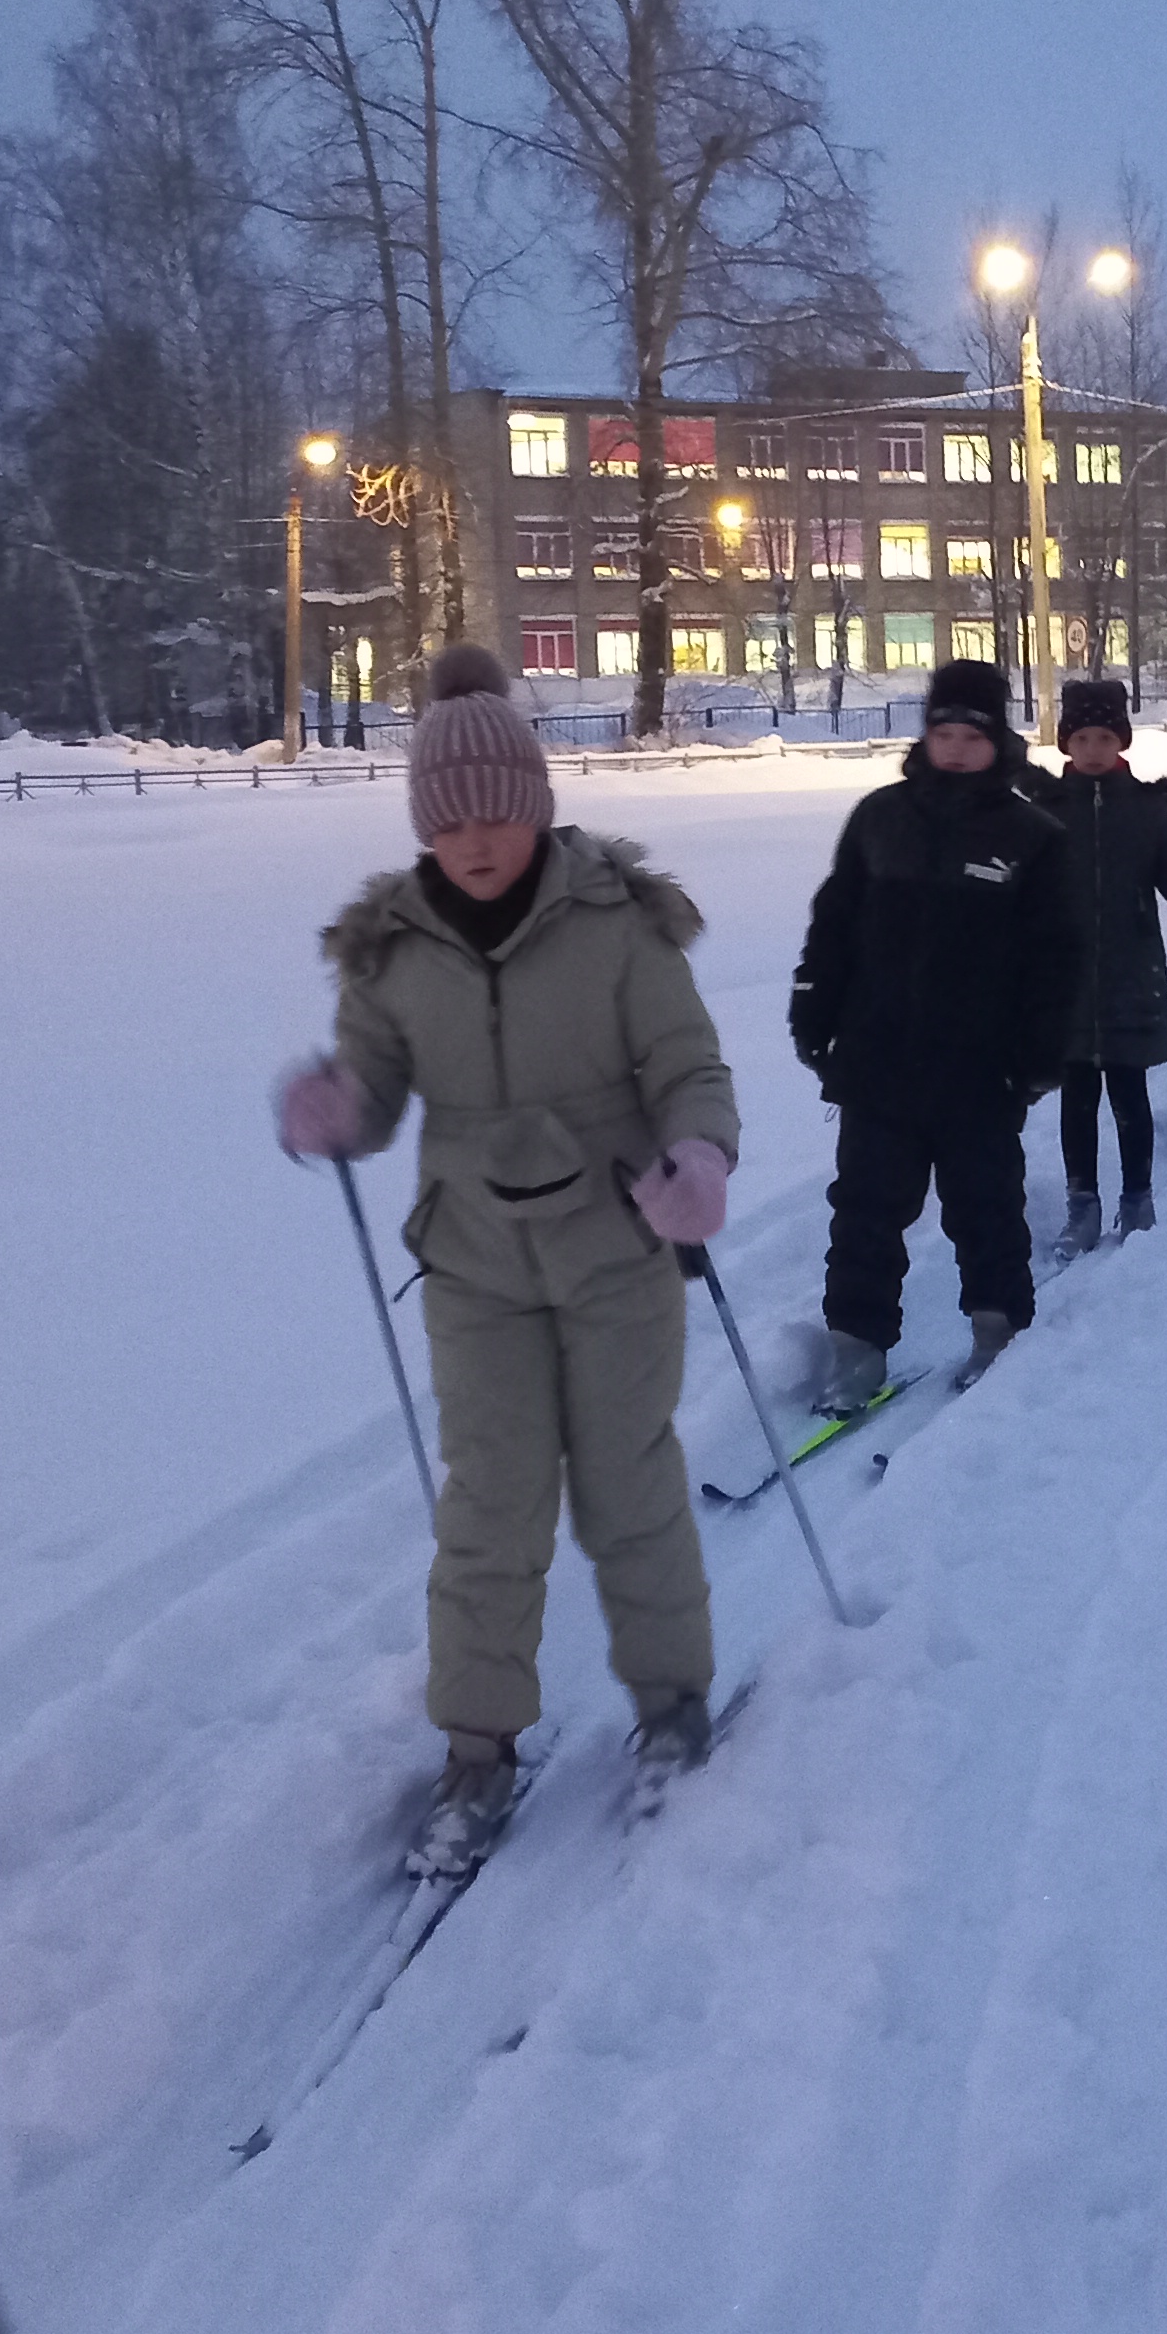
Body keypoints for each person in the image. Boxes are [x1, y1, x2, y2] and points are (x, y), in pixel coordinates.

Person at [276, 645, 738, 1873]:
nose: (474, 841)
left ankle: (671, 1707)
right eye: (448, 821)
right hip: (475, 1261)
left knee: (628, 1485)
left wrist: (697, 1157)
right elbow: (375, 1090)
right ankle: (476, 1747)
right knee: (489, 1502)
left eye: (495, 814)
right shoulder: (391, 952)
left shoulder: (617, 925)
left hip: (616, 1243)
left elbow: (687, 1065)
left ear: (533, 806)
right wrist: (338, 1110)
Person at [788, 658, 1081, 1403]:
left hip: (979, 1072)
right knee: (864, 1214)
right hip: (877, 1062)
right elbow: (833, 926)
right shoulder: (879, 819)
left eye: (970, 734)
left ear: (998, 739)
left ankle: (998, 1334)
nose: (954, 747)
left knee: (986, 1209)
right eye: (942, 731)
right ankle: (856, 1351)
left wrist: (1038, 1056)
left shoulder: (1032, 837)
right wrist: (815, 1010)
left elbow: (1057, 959)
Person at [1033, 676, 1167, 1250]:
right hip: (1062, 979)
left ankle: (1138, 1197)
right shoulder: (1043, 809)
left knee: (1129, 1094)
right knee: (1077, 1098)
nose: (1092, 749)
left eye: (1104, 737)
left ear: (1122, 742)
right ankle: (1081, 1202)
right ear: (1067, 743)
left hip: (1129, 973)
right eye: (1082, 737)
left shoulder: (1143, 809)